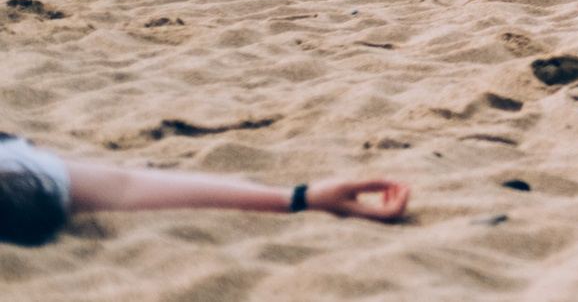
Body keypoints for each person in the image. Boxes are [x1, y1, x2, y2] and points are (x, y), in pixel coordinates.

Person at [0, 134, 407, 246]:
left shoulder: (16, 174)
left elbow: (125, 190)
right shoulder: (16, 176)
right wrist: (299, 199)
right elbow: (123, 189)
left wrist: (302, 198)